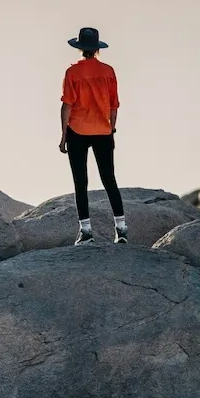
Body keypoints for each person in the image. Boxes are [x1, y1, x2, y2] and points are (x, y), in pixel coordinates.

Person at [58, 27, 126, 245]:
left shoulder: (72, 73)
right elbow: (114, 106)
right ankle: (121, 229)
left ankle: (86, 232)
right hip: (103, 131)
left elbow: (67, 106)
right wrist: (112, 128)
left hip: (77, 131)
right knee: (109, 179)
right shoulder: (108, 71)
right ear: (97, 49)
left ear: (80, 49)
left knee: (80, 182)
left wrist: (63, 135)